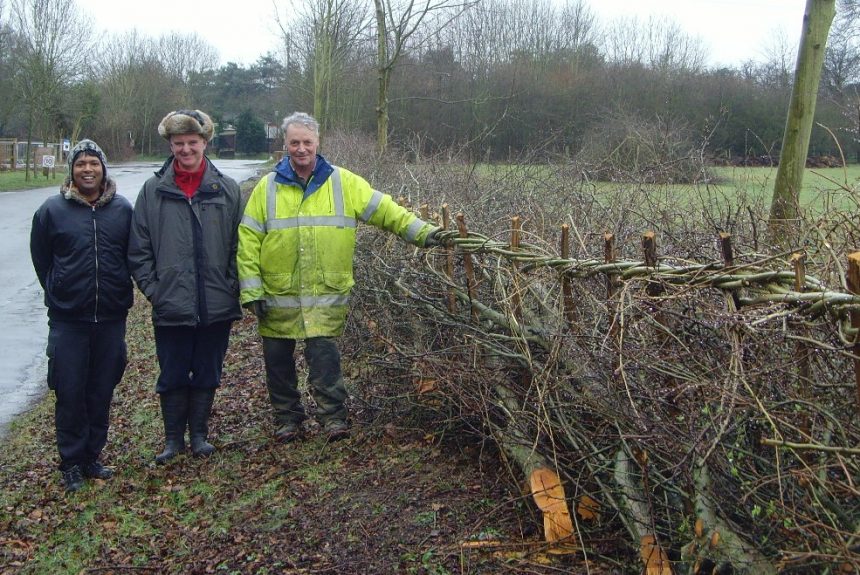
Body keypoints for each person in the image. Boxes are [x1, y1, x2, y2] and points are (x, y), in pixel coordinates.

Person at [237, 111, 442, 443]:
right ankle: (287, 419)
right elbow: (248, 241)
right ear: (285, 145)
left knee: (325, 359)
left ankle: (333, 418)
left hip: (324, 293)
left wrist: (426, 233)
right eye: (294, 142)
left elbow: (387, 211)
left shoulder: (344, 182)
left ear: (318, 142)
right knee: (277, 363)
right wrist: (251, 290)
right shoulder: (267, 188)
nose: (301, 149)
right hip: (277, 293)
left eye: (307, 142)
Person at [128, 109, 242, 464]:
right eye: (179, 143)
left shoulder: (227, 190)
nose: (186, 149)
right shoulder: (153, 191)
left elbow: (244, 245)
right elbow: (139, 248)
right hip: (171, 304)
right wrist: (155, 291)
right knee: (173, 371)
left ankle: (200, 436)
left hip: (216, 303)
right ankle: (173, 440)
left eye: (192, 142)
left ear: (205, 143)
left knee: (208, 370)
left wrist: (231, 284)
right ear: (171, 145)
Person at [30, 139, 133, 492]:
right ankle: (71, 463)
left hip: (110, 317)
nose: (87, 169)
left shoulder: (122, 210)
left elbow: (131, 255)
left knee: (101, 390)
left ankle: (92, 457)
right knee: (70, 393)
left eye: (94, 163)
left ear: (104, 169)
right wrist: (60, 289)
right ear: (71, 170)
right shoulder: (51, 211)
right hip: (68, 321)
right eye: (80, 164)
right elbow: (41, 259)